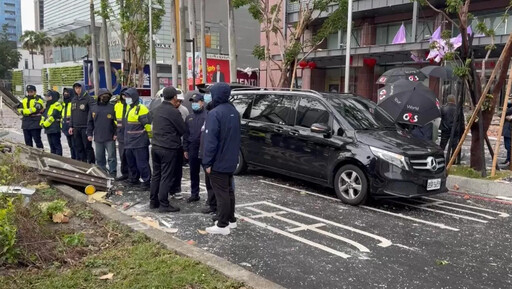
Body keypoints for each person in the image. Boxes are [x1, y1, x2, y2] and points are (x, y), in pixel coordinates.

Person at [203, 83, 241, 235]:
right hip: (231, 159)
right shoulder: (234, 111)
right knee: (229, 191)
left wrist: (207, 162)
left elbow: (210, 141)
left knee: (221, 193)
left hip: (218, 161)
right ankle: (231, 220)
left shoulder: (215, 113)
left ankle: (222, 225)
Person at [150, 86, 186, 212]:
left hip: (155, 146)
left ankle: (153, 201)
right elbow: (182, 129)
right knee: (166, 176)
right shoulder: (174, 111)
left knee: (156, 175)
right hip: (168, 148)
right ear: (175, 97)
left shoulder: (156, 109)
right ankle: (164, 204)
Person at [122, 88, 152, 189]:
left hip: (139, 142)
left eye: (128, 97)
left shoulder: (141, 108)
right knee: (131, 163)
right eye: (126, 97)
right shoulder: (128, 108)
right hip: (129, 142)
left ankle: (146, 181)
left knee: (142, 163)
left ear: (134, 97)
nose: (126, 99)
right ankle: (134, 179)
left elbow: (148, 125)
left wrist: (150, 137)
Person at [87, 89, 117, 177]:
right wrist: (89, 134)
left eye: (107, 96)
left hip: (110, 137)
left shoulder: (112, 107)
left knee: (111, 157)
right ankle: (102, 173)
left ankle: (112, 174)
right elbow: (90, 122)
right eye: (104, 96)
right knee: (100, 158)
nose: (106, 97)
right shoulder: (93, 107)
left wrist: (116, 133)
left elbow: (116, 122)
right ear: (99, 96)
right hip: (98, 137)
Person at [183, 92, 207, 203]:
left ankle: (211, 198)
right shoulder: (189, 117)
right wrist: (186, 149)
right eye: (193, 102)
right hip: (192, 148)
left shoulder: (208, 116)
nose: (194, 104)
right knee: (193, 172)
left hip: (204, 149)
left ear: (202, 102)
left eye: (196, 102)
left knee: (208, 174)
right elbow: (186, 134)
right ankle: (194, 194)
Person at [69, 81, 95, 163]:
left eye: (79, 88)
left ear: (83, 88)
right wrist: (71, 126)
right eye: (76, 88)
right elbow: (72, 113)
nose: (77, 90)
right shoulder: (74, 99)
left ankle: (91, 162)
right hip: (76, 127)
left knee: (87, 146)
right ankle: (83, 162)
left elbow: (91, 114)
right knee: (78, 146)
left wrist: (90, 128)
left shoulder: (89, 99)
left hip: (85, 127)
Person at [17, 85, 44, 149]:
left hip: (35, 122)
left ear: (35, 92)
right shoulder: (24, 99)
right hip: (26, 122)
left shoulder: (39, 99)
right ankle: (30, 155)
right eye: (28, 91)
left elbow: (36, 109)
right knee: (27, 141)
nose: (29, 93)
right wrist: (27, 111)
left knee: (37, 140)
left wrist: (25, 111)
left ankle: (41, 155)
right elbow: (19, 108)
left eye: (31, 91)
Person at [40, 90, 63, 155]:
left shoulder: (57, 104)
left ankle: (59, 159)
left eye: (48, 96)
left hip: (55, 128)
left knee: (56, 145)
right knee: (51, 146)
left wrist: (45, 124)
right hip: (48, 128)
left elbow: (53, 116)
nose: (47, 97)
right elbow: (44, 115)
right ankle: (53, 159)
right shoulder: (48, 105)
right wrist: (41, 123)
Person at [114, 88, 129, 181]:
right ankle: (125, 173)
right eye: (123, 95)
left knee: (131, 156)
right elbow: (114, 120)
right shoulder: (117, 105)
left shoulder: (132, 105)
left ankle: (133, 175)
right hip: (120, 133)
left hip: (130, 134)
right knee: (122, 155)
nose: (124, 97)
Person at [61, 88, 77, 159]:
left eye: (67, 92)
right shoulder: (65, 104)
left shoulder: (73, 103)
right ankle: (73, 158)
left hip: (73, 127)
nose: (65, 94)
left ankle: (77, 160)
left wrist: (72, 125)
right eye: (64, 92)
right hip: (66, 128)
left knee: (75, 145)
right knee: (70, 145)